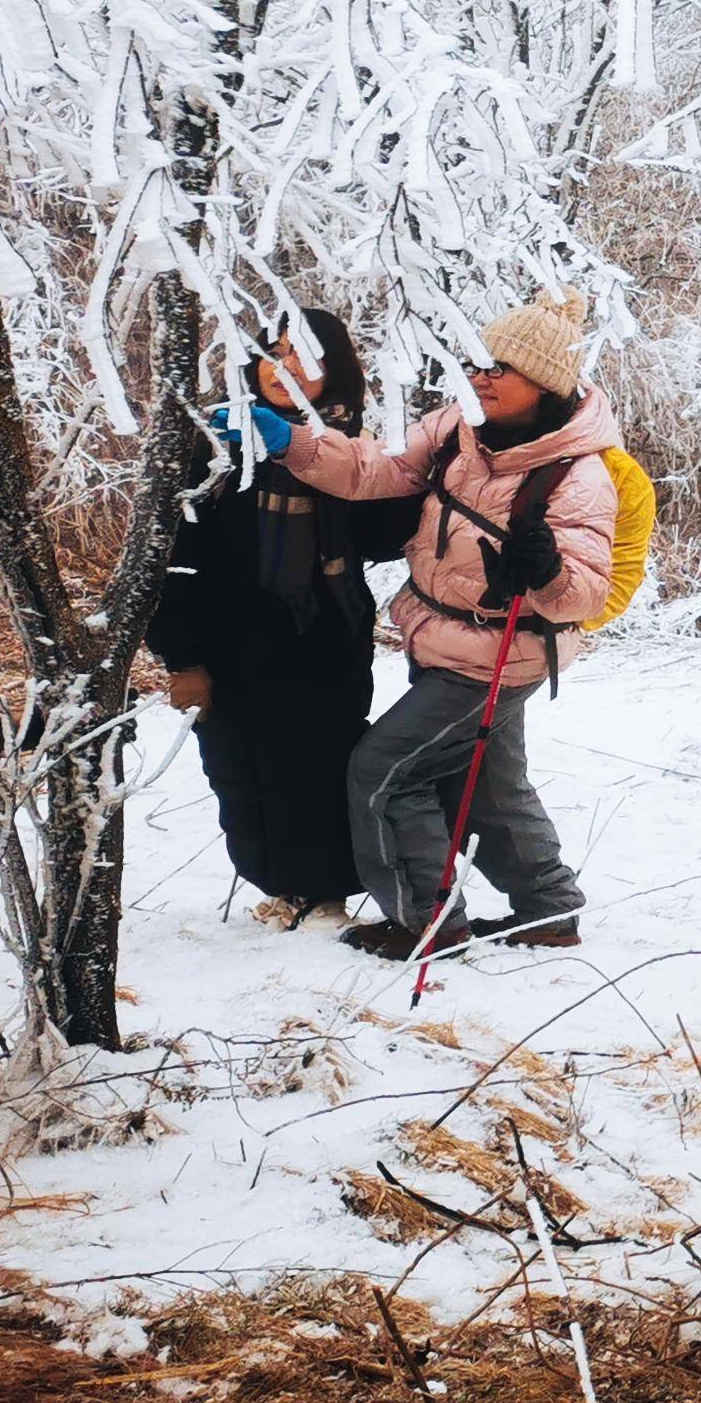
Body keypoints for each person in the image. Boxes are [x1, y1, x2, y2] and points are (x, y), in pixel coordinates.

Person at [256, 289, 624, 959]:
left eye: (497, 369)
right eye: (475, 362)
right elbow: (383, 469)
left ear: (543, 381)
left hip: (496, 655)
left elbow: (583, 596)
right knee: (484, 783)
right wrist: (295, 444)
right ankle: (548, 908)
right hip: (441, 633)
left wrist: (542, 571)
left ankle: (425, 919)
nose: (478, 377)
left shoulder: (578, 476)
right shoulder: (460, 424)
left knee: (383, 770)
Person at [145, 310, 415, 925]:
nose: (285, 368)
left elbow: (380, 537)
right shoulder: (213, 442)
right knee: (241, 775)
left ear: (336, 370)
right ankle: (280, 886)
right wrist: (181, 658)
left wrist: (402, 477)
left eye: (305, 356)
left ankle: (323, 894)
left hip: (325, 645)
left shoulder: (355, 446)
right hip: (230, 648)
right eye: (274, 352)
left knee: (320, 775)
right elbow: (172, 560)